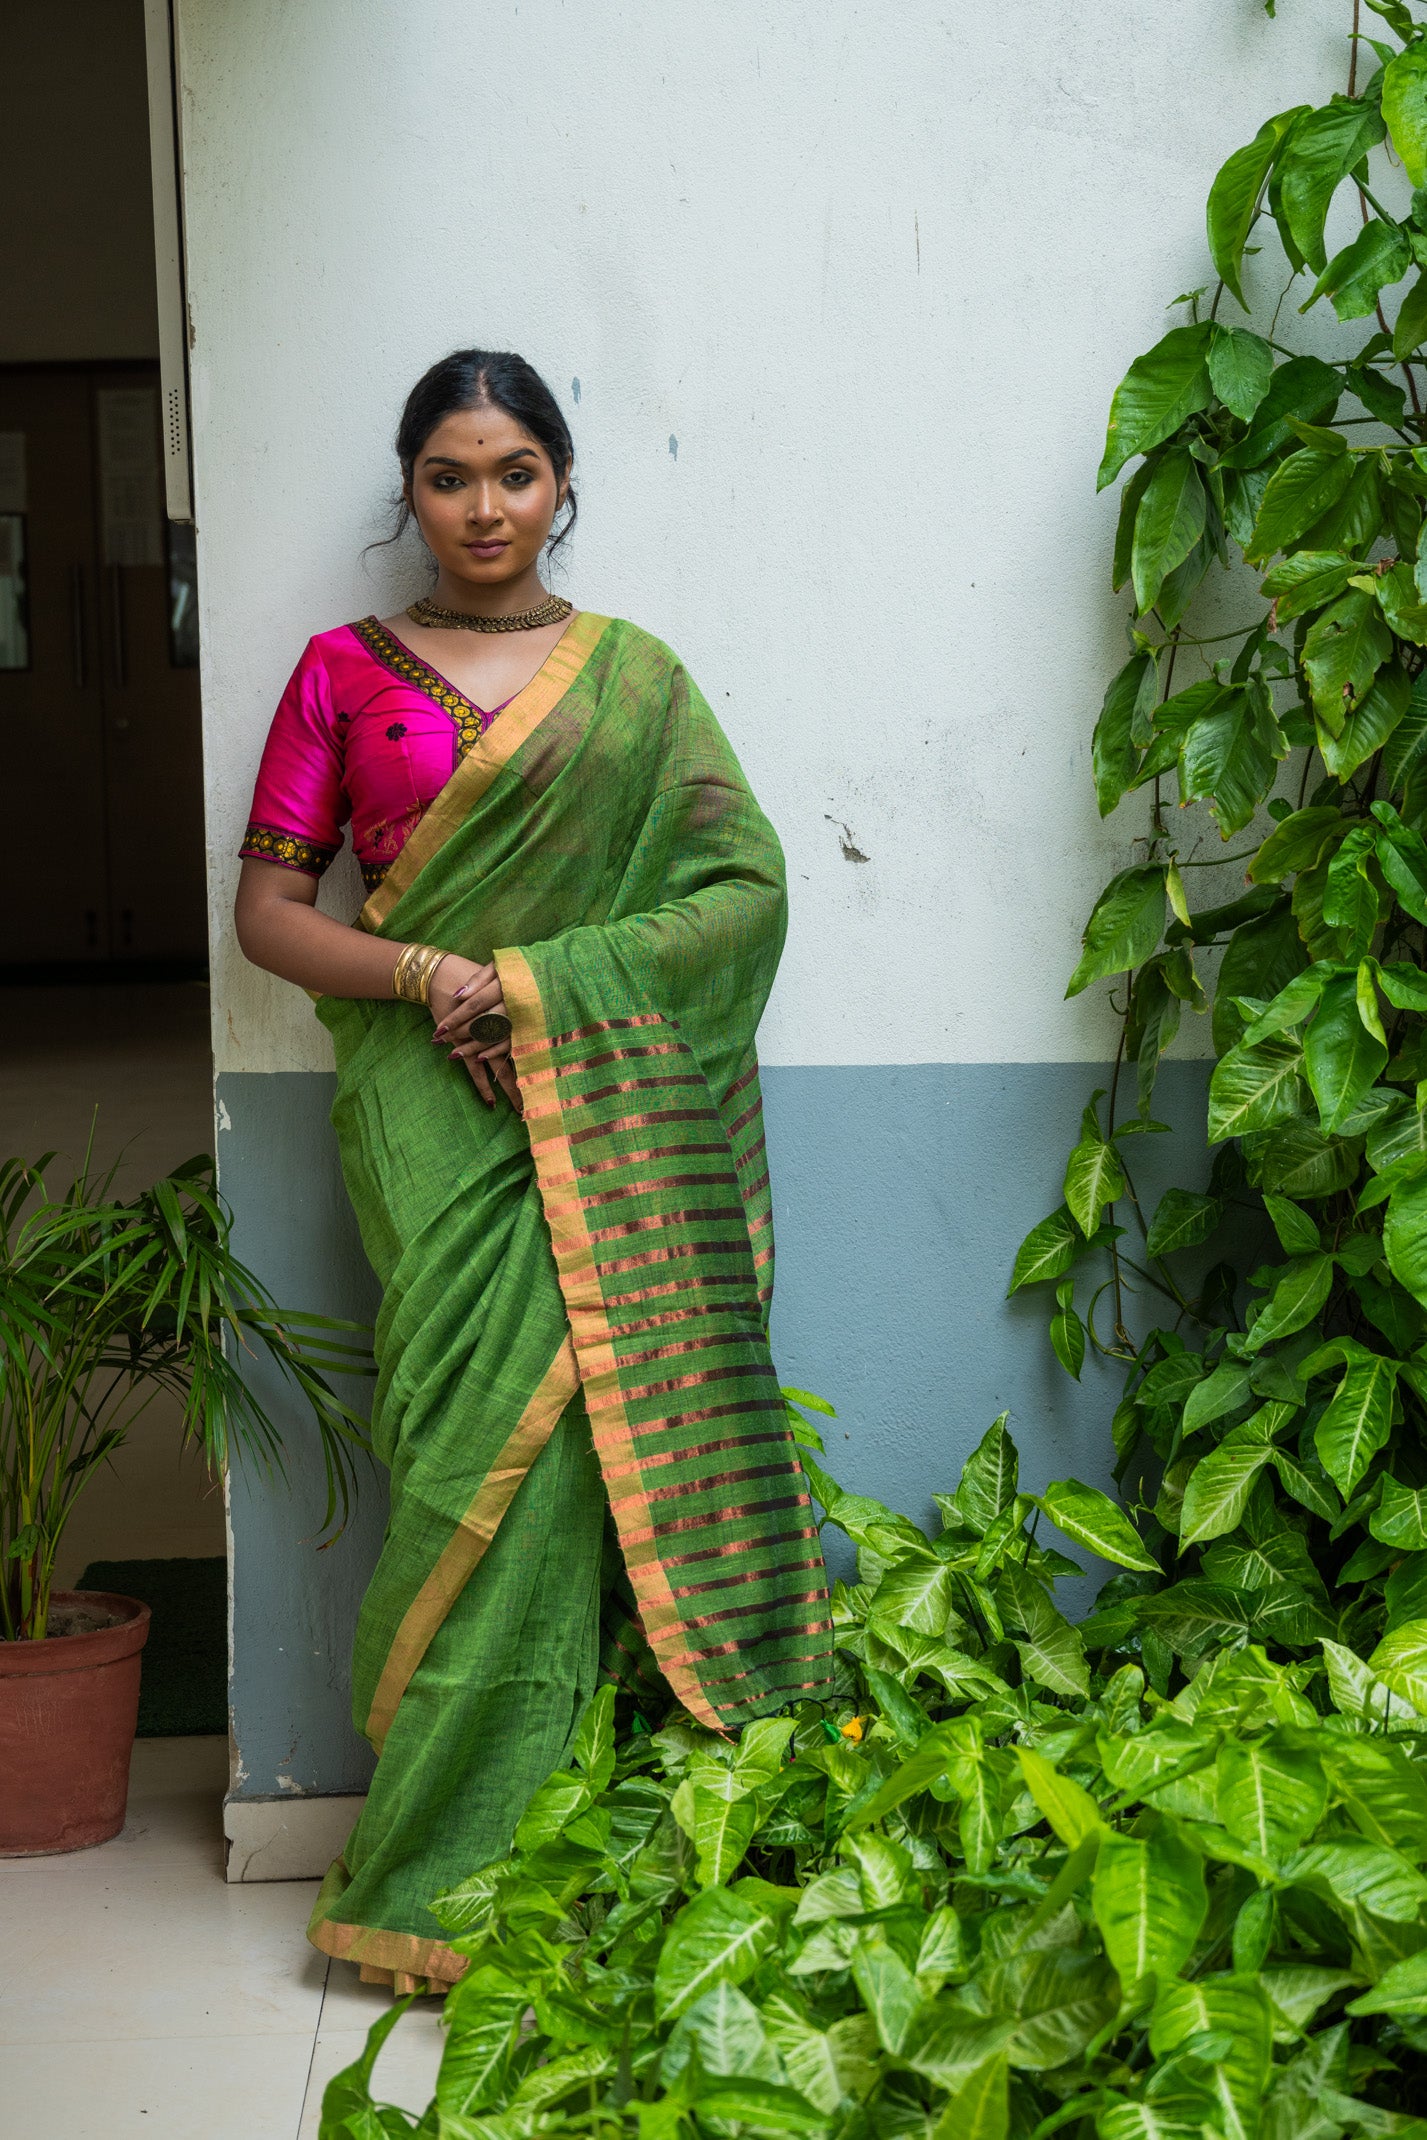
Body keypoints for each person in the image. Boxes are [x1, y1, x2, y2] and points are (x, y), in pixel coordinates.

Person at [234, 349, 833, 1993]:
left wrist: (546, 987)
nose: (484, 506)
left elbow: (744, 891)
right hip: (431, 1126)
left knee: (588, 1462)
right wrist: (435, 978)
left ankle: (582, 1849)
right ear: (408, 492)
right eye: (449, 475)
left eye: (515, 472)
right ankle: (429, 1875)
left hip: (608, 1114)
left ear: (562, 483)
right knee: (459, 1468)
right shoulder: (340, 676)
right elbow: (273, 920)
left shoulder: (634, 681)